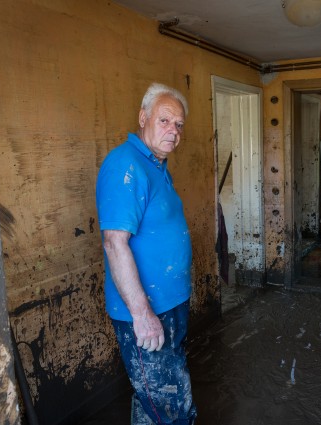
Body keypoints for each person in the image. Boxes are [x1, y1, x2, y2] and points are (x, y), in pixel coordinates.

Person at [96, 82, 196, 424]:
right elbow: (114, 243)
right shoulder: (126, 165)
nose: (173, 130)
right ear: (143, 118)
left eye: (179, 124)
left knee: (156, 400)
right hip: (146, 312)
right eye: (165, 120)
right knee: (170, 406)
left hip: (169, 306)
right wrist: (142, 314)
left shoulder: (155, 165)